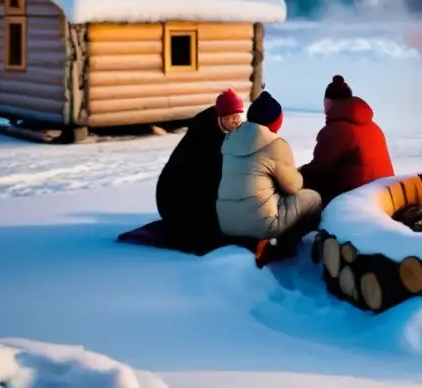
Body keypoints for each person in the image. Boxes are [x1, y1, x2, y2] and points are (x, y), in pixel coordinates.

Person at [216, 90, 322, 266]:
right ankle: (279, 247)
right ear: (276, 120)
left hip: (226, 222)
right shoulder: (274, 143)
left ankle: (257, 241)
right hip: (261, 223)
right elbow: (293, 187)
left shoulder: (230, 139)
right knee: (313, 199)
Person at [154, 88, 244, 250]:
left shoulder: (220, 132)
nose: (236, 122)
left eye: (238, 117)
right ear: (220, 117)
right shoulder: (206, 139)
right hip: (177, 205)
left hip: (193, 195)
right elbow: (214, 180)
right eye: (232, 117)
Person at [299, 75, 394, 209]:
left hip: (356, 199)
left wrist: (294, 178)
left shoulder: (338, 130)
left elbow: (318, 169)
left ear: (328, 102)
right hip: (384, 194)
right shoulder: (372, 126)